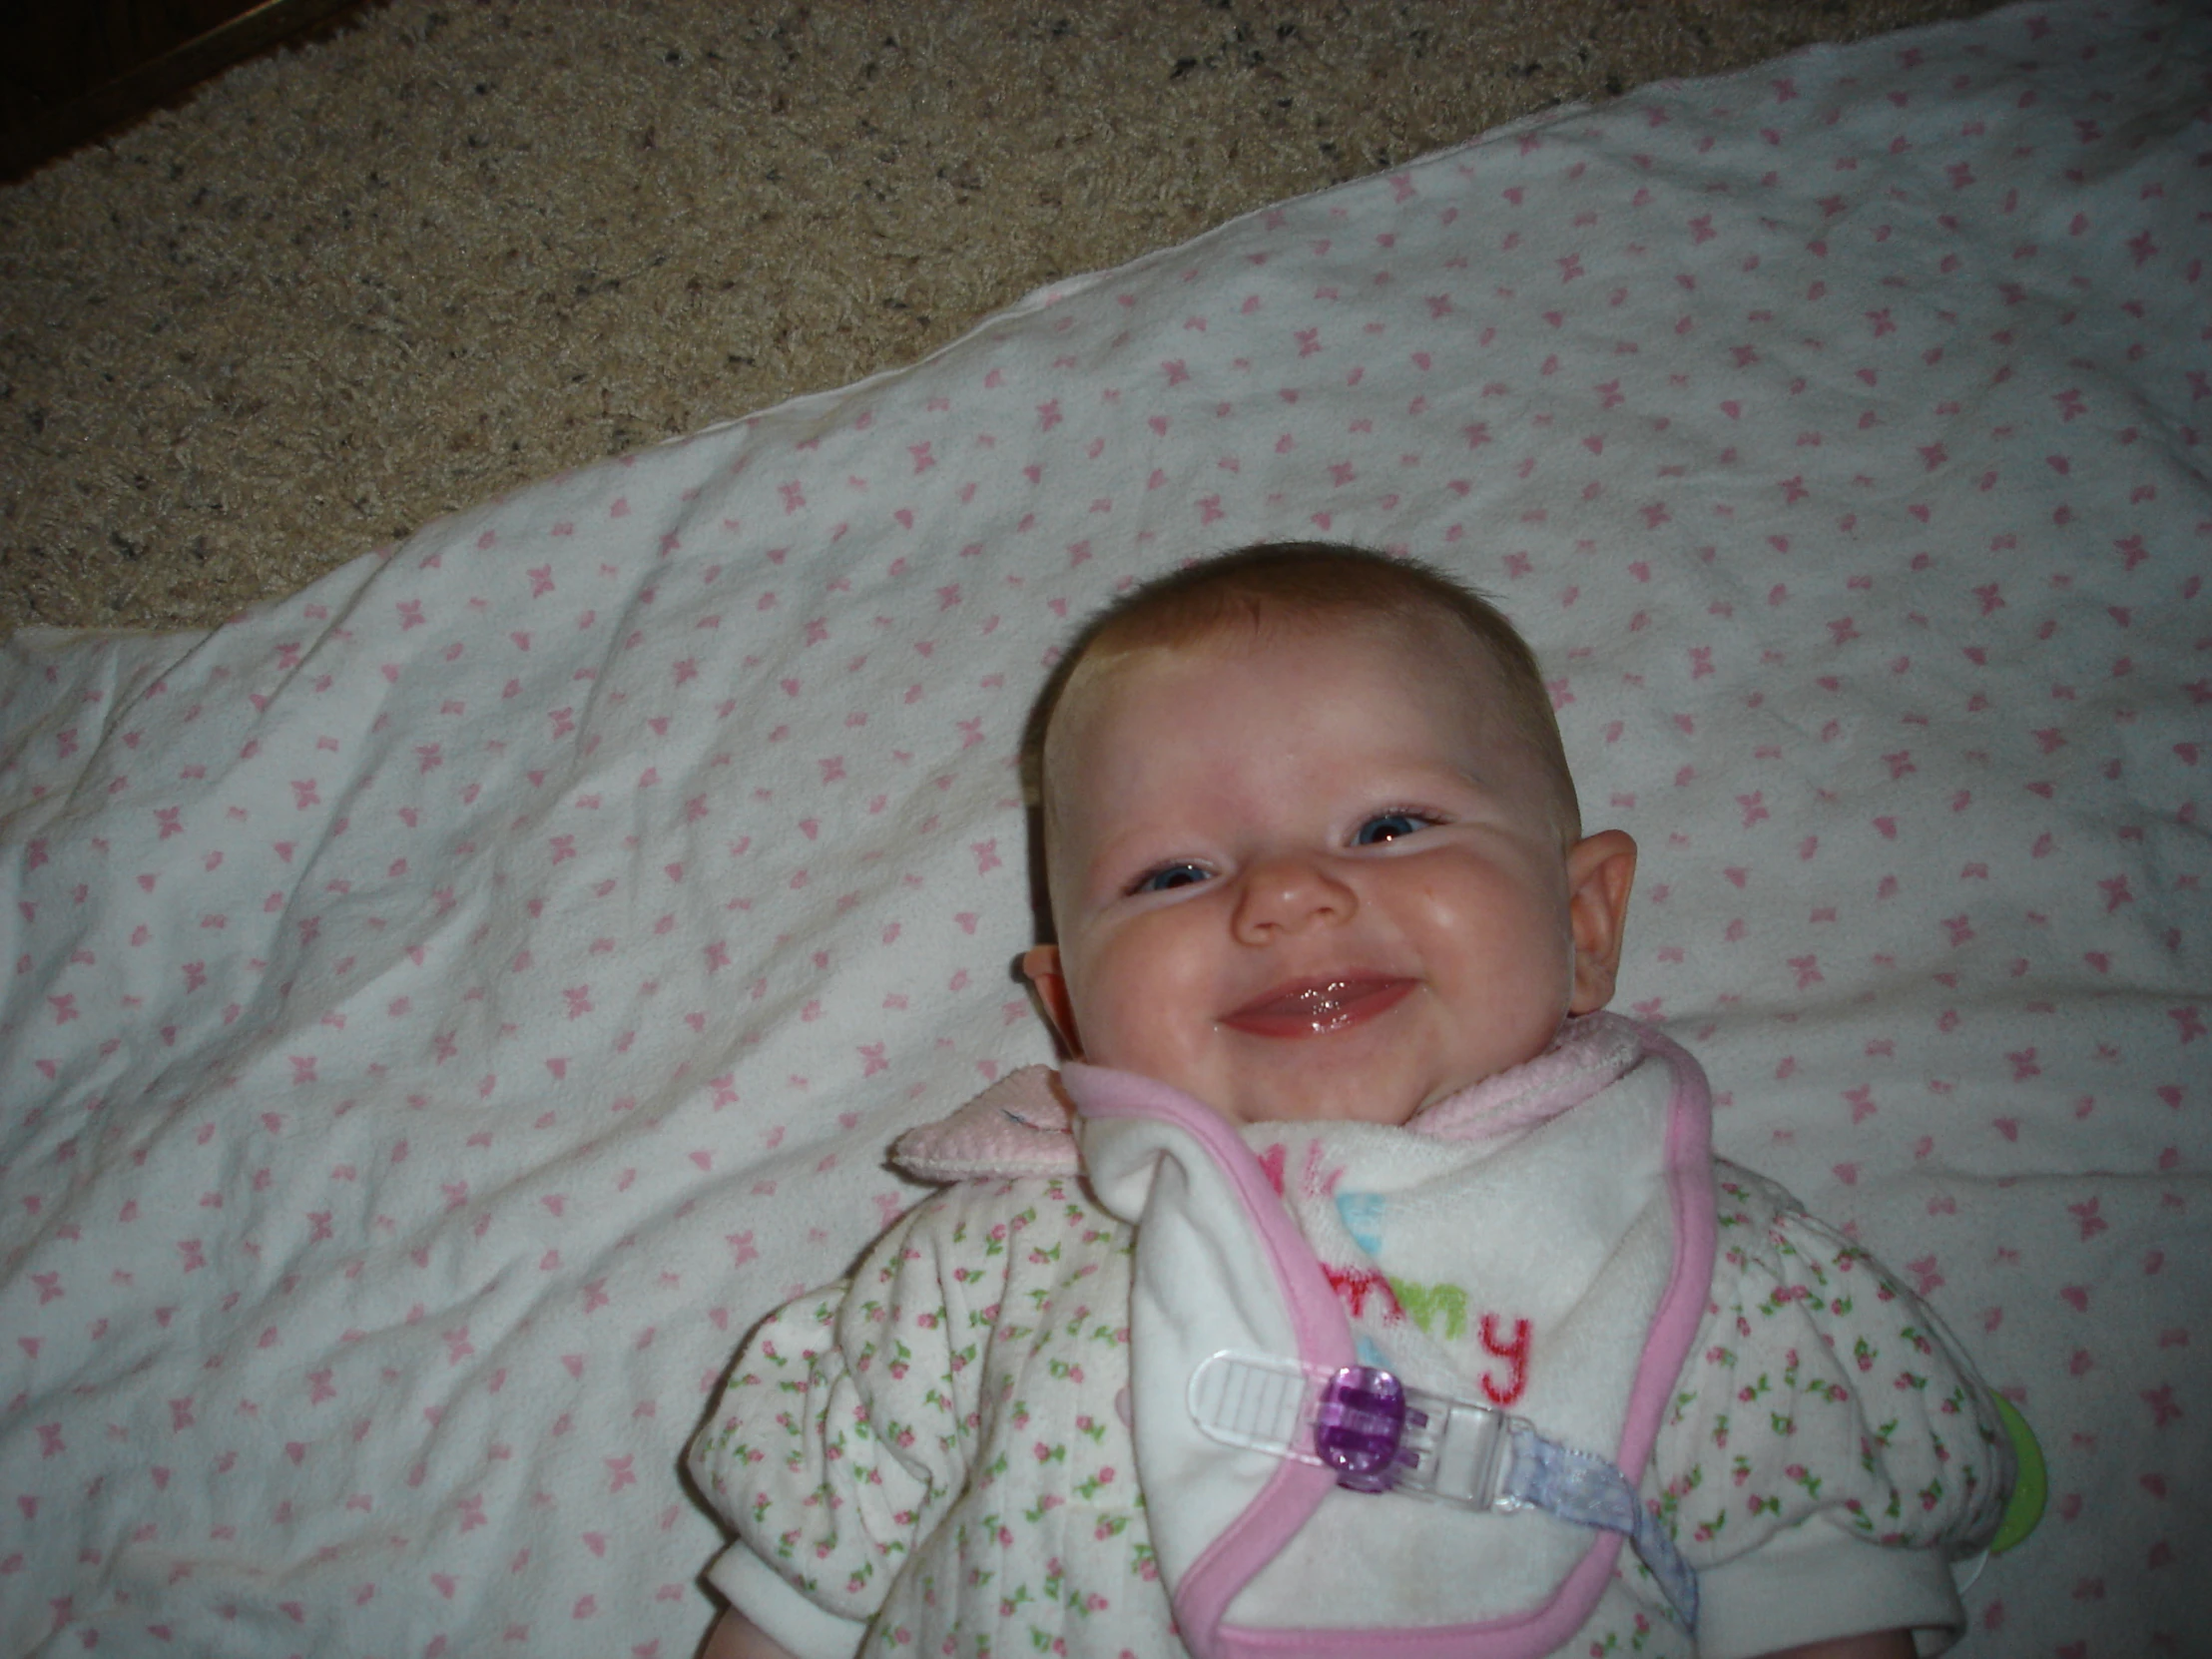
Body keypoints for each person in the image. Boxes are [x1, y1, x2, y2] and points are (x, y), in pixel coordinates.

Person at [687, 543, 2019, 1659]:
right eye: (1171, 874)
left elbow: (1820, 1609)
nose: (1283, 894)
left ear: (1582, 917)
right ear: (1070, 1005)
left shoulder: (1698, 1265)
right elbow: (796, 1592)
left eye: (1389, 825)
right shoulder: (992, 1260)